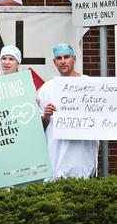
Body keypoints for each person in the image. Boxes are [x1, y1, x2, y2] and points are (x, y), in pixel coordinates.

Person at [39, 43, 99, 180]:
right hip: (57, 155)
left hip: (83, 154)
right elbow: (39, 128)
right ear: (54, 62)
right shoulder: (46, 88)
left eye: (67, 57)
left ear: (74, 59)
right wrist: (46, 116)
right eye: (59, 58)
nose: (63, 61)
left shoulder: (90, 84)